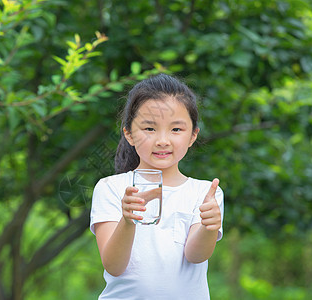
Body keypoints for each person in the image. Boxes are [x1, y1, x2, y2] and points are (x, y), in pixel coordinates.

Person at [90, 73, 224, 299]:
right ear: (129, 134)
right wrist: (127, 220)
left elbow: (195, 255)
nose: (163, 140)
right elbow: (113, 265)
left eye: (176, 129)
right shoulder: (111, 188)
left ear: (193, 136)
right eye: (150, 129)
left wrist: (209, 226)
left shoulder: (205, 193)